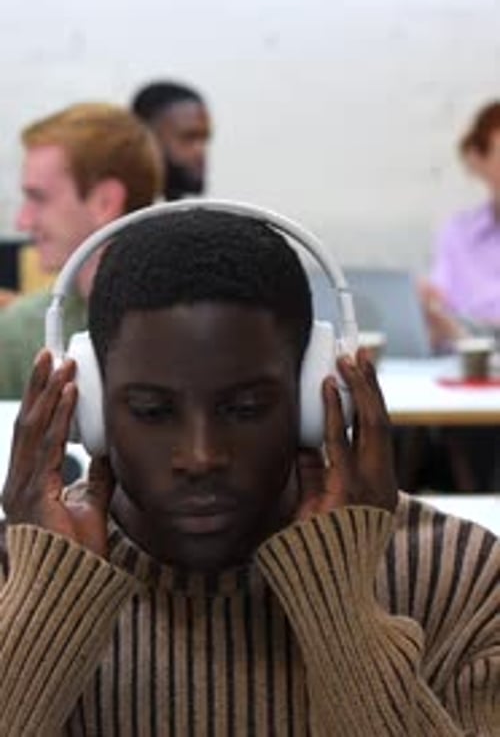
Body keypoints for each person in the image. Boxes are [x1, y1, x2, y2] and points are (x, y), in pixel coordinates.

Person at [1, 209, 498, 735]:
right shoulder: (18, 579)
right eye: (152, 411)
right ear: (90, 412)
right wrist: (45, 608)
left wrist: (340, 606)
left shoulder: (459, 581)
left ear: (316, 399)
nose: (200, 455)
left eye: (245, 409)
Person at [0, 103, 163, 399]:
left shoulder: (188, 327)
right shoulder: (20, 330)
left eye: (38, 197)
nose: (22, 221)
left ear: (104, 202)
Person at [421, 101, 500, 349]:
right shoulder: (457, 234)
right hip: (469, 371)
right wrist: (429, 311)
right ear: (477, 159)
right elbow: (440, 322)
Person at [131, 81, 211, 199]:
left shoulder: (187, 214)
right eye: (189, 137)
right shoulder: (110, 212)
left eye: (204, 139)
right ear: (147, 137)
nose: (200, 151)